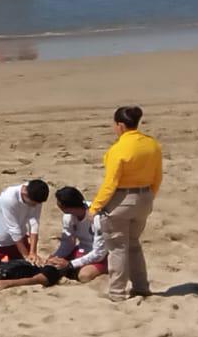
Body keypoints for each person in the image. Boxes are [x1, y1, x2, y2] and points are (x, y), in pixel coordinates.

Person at [89, 105, 161, 301]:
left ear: (120, 125)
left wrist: (95, 207)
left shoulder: (119, 149)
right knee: (134, 244)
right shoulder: (151, 144)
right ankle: (141, 286)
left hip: (122, 199)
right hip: (144, 197)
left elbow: (110, 183)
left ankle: (117, 292)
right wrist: (148, 197)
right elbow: (157, 176)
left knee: (117, 247)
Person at [48, 186, 106, 283]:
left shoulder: (97, 217)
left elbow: (99, 252)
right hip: (83, 250)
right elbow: (68, 243)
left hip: (103, 254)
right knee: (52, 264)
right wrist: (56, 256)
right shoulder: (68, 217)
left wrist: (70, 264)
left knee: (84, 275)